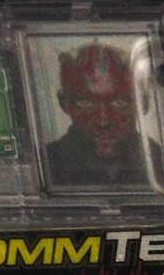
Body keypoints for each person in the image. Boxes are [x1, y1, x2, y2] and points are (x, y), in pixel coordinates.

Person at [46, 42, 148, 187]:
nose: (103, 121)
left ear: (143, 102)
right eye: (85, 103)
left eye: (120, 102)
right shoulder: (45, 164)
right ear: (64, 103)